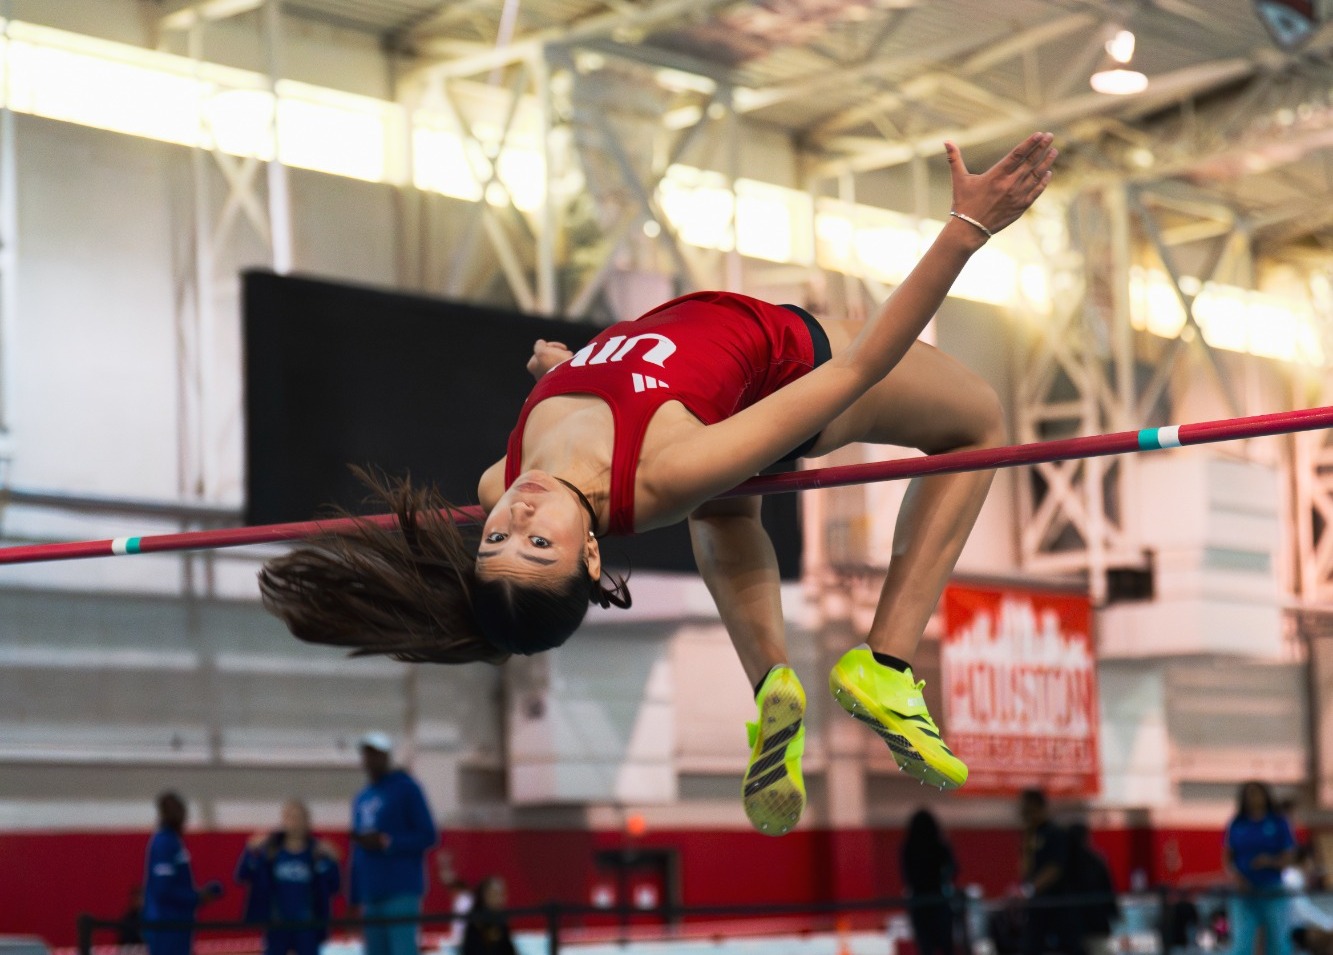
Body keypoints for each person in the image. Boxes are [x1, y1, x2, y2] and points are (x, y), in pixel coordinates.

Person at [260, 133, 1058, 836]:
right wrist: (968, 228)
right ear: (593, 558)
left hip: (708, 411)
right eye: (540, 544)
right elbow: (857, 368)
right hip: (792, 361)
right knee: (978, 425)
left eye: (499, 537)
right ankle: (883, 665)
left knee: (724, 507)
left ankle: (772, 682)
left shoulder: (503, 470)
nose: (517, 513)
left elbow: (618, 391)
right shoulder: (660, 470)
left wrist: (563, 370)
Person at [348, 732, 438, 955]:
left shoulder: (407, 788)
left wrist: (388, 842)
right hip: (371, 891)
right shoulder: (362, 797)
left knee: (402, 950)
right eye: (367, 754)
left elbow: (428, 835)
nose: (370, 760)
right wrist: (354, 894)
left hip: (401, 888)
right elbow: (357, 850)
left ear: (387, 756)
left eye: (376, 754)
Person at [235, 799, 342, 955]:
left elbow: (335, 886)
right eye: (290, 817)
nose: (294, 822)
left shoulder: (317, 853)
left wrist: (332, 862)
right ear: (283, 820)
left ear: (307, 821)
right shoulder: (271, 853)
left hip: (308, 926)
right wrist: (250, 851)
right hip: (277, 924)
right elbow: (242, 876)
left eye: (299, 817)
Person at [142, 791, 223, 955]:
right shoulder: (164, 843)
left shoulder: (175, 841)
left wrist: (200, 895)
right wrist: (198, 897)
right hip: (166, 927)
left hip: (180, 926)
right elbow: (162, 890)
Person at [1225, 781, 1296, 955]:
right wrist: (1237, 878)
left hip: (1272, 890)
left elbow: (1289, 856)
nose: (1253, 798)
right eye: (1249, 794)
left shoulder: (1278, 822)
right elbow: (1227, 857)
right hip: (1244, 893)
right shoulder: (1237, 823)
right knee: (1241, 944)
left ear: (1266, 796)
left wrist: (1269, 861)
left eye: (1257, 793)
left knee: (1278, 943)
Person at [1018, 788, 1079, 955]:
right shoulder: (1030, 836)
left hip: (1058, 905)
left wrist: (1030, 890)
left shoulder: (1054, 833)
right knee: (1030, 947)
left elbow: (1055, 868)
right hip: (1037, 907)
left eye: (1029, 809)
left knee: (1068, 948)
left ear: (1039, 807)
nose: (1026, 814)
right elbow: (1025, 868)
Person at [901, 808, 957, 955]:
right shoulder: (939, 845)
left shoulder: (909, 847)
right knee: (945, 945)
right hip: (937, 898)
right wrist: (943, 881)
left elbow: (906, 876)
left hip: (920, 901)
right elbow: (954, 868)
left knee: (926, 947)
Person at [1064, 822, 1118, 955]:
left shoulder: (1064, 864)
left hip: (1072, 927)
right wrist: (1112, 912)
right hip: (1096, 924)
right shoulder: (1096, 861)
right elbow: (1108, 890)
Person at [461, 877, 518, 955]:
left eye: (502, 894)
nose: (500, 899)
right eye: (495, 894)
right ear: (484, 896)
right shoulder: (475, 924)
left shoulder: (501, 923)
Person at [436, 851, 475, 952]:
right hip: (460, 939)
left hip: (465, 940)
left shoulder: (465, 899)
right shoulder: (462, 899)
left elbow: (449, 880)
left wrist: (445, 864)